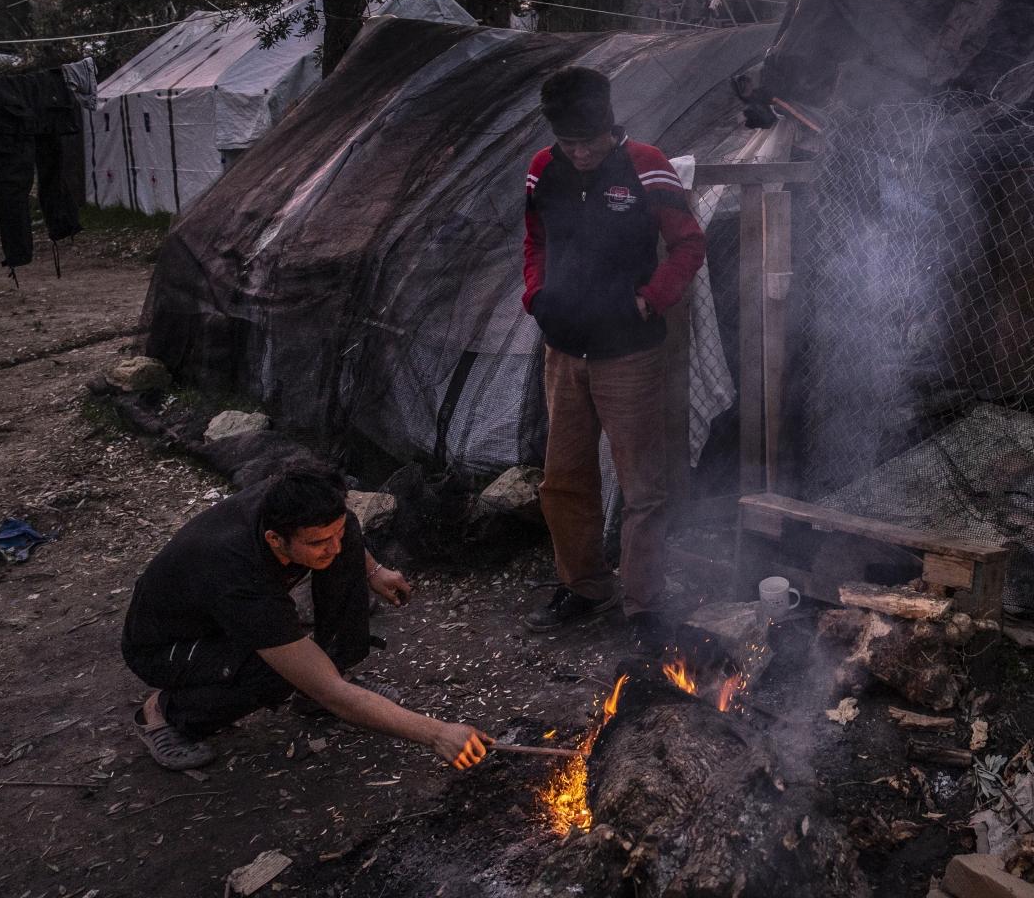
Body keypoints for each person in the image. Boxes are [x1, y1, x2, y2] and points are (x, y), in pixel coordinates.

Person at [121, 471, 493, 772]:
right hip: (170, 647)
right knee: (278, 673)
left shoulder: (294, 498)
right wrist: (436, 733)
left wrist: (372, 570)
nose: (331, 547)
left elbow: (337, 528)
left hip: (227, 613)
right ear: (276, 540)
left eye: (334, 535)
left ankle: (321, 681)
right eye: (317, 542)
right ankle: (163, 715)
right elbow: (334, 694)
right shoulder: (239, 576)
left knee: (344, 544)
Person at [522, 65, 706, 647]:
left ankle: (645, 604)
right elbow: (535, 240)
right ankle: (584, 586)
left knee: (642, 484)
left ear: (611, 129)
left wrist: (653, 299)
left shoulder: (647, 165)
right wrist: (535, 295)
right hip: (564, 350)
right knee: (564, 477)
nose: (578, 153)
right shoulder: (541, 169)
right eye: (567, 142)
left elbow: (689, 243)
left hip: (630, 353)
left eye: (588, 141)